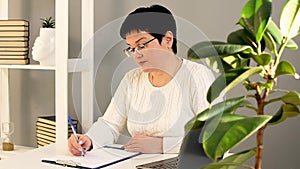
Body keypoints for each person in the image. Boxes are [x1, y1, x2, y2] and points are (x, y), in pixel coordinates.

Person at [68, 4, 215, 156]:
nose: (136, 55)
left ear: (168, 40)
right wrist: (89, 140)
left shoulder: (198, 76)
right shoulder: (132, 79)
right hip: (137, 163)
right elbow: (110, 124)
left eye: (142, 45)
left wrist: (161, 146)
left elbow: (215, 137)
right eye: (131, 48)